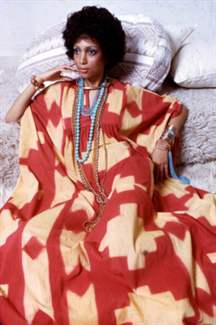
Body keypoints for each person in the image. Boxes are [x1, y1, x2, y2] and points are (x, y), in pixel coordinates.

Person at [1, 5, 216, 325]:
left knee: (127, 239)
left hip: (126, 173)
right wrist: (40, 81)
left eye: (91, 51)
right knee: (34, 235)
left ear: (108, 54)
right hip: (71, 183)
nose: (82, 60)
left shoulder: (124, 95)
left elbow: (177, 109)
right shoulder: (58, 94)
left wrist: (163, 142)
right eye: (76, 50)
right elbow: (12, 116)